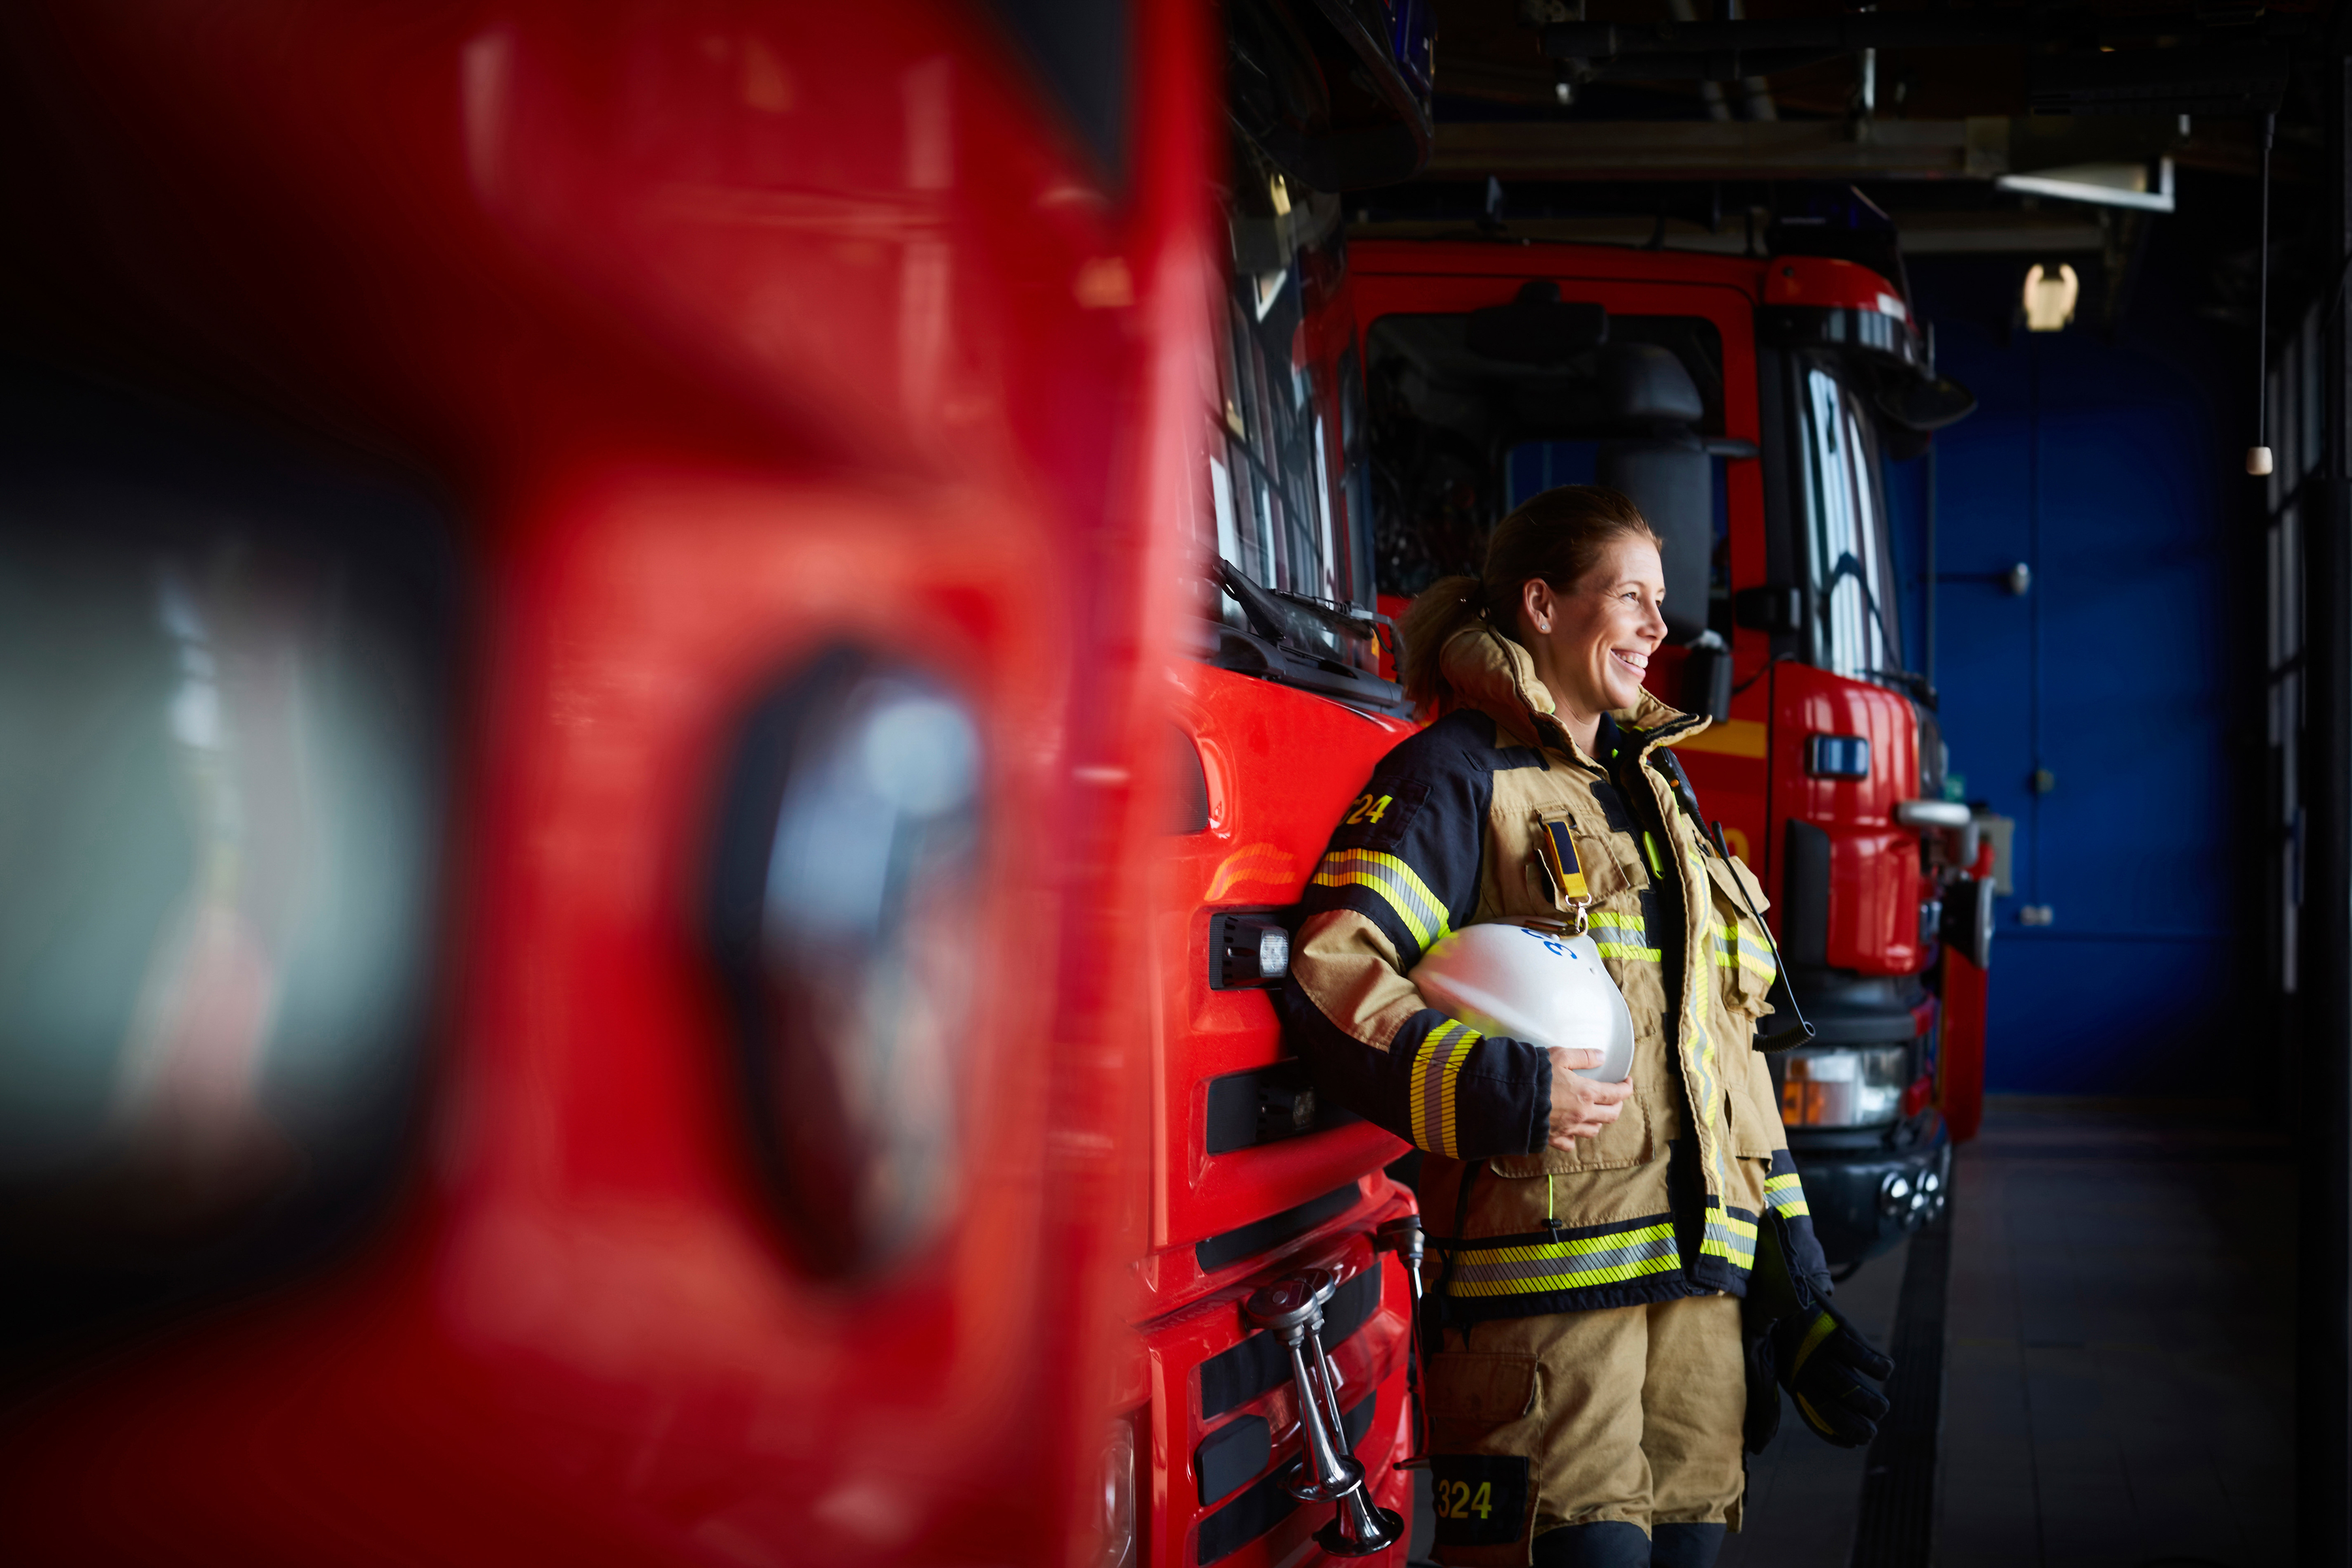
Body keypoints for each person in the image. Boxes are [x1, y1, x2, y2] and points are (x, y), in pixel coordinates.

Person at [1279, 486, 1891, 1568]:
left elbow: (1732, 1069)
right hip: (1541, 1340)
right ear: (1543, 606)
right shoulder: (1453, 778)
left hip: (1696, 1319)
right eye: (1631, 597)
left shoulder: (1668, 807)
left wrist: (1798, 1296)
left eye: (1664, 602)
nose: (1662, 627)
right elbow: (1335, 976)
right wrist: (1498, 1089)